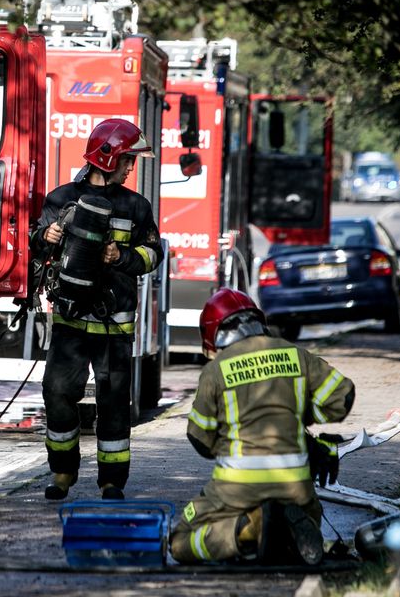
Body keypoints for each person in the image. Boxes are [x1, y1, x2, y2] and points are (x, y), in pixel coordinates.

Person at [169, 289, 355, 565]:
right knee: (289, 541)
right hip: (296, 487)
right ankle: (289, 530)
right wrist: (296, 420)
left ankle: (247, 529)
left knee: (180, 541)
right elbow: (342, 397)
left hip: (237, 488)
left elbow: (200, 439)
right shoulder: (294, 354)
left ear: (213, 333)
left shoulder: (216, 369)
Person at [30, 119, 162, 501]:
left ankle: (111, 481)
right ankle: (62, 474)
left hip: (114, 327)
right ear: (108, 157)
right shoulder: (61, 199)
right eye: (127, 160)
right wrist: (46, 236)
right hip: (71, 321)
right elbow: (36, 246)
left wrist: (121, 256)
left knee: (115, 404)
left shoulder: (137, 207)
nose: (130, 168)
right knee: (56, 393)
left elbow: (154, 253)